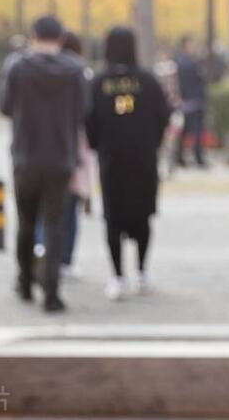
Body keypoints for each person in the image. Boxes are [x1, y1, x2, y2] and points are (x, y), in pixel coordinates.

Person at [0, 15, 87, 313]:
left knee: (26, 223)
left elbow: (5, 106)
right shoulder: (76, 71)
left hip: (25, 156)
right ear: (61, 38)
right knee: (54, 224)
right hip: (61, 158)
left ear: (33, 35)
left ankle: (24, 281)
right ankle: (52, 293)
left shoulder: (17, 67)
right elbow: (84, 111)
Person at [85, 26, 171, 301]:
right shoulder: (147, 80)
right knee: (142, 216)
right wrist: (152, 142)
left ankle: (117, 277)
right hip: (143, 159)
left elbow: (88, 121)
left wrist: (99, 145)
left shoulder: (98, 83)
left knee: (113, 218)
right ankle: (142, 272)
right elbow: (163, 116)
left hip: (112, 161)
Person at [34, 31, 94, 279]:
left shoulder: (34, 72)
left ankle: (41, 248)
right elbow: (87, 115)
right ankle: (65, 260)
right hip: (72, 152)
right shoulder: (82, 76)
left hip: (37, 151)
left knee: (42, 208)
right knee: (69, 210)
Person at [172, 35, 209, 168]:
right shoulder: (190, 63)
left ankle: (181, 157)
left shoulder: (181, 62)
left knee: (186, 131)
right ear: (185, 46)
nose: (193, 47)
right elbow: (199, 80)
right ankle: (196, 156)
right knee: (195, 131)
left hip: (188, 101)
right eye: (191, 44)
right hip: (192, 101)